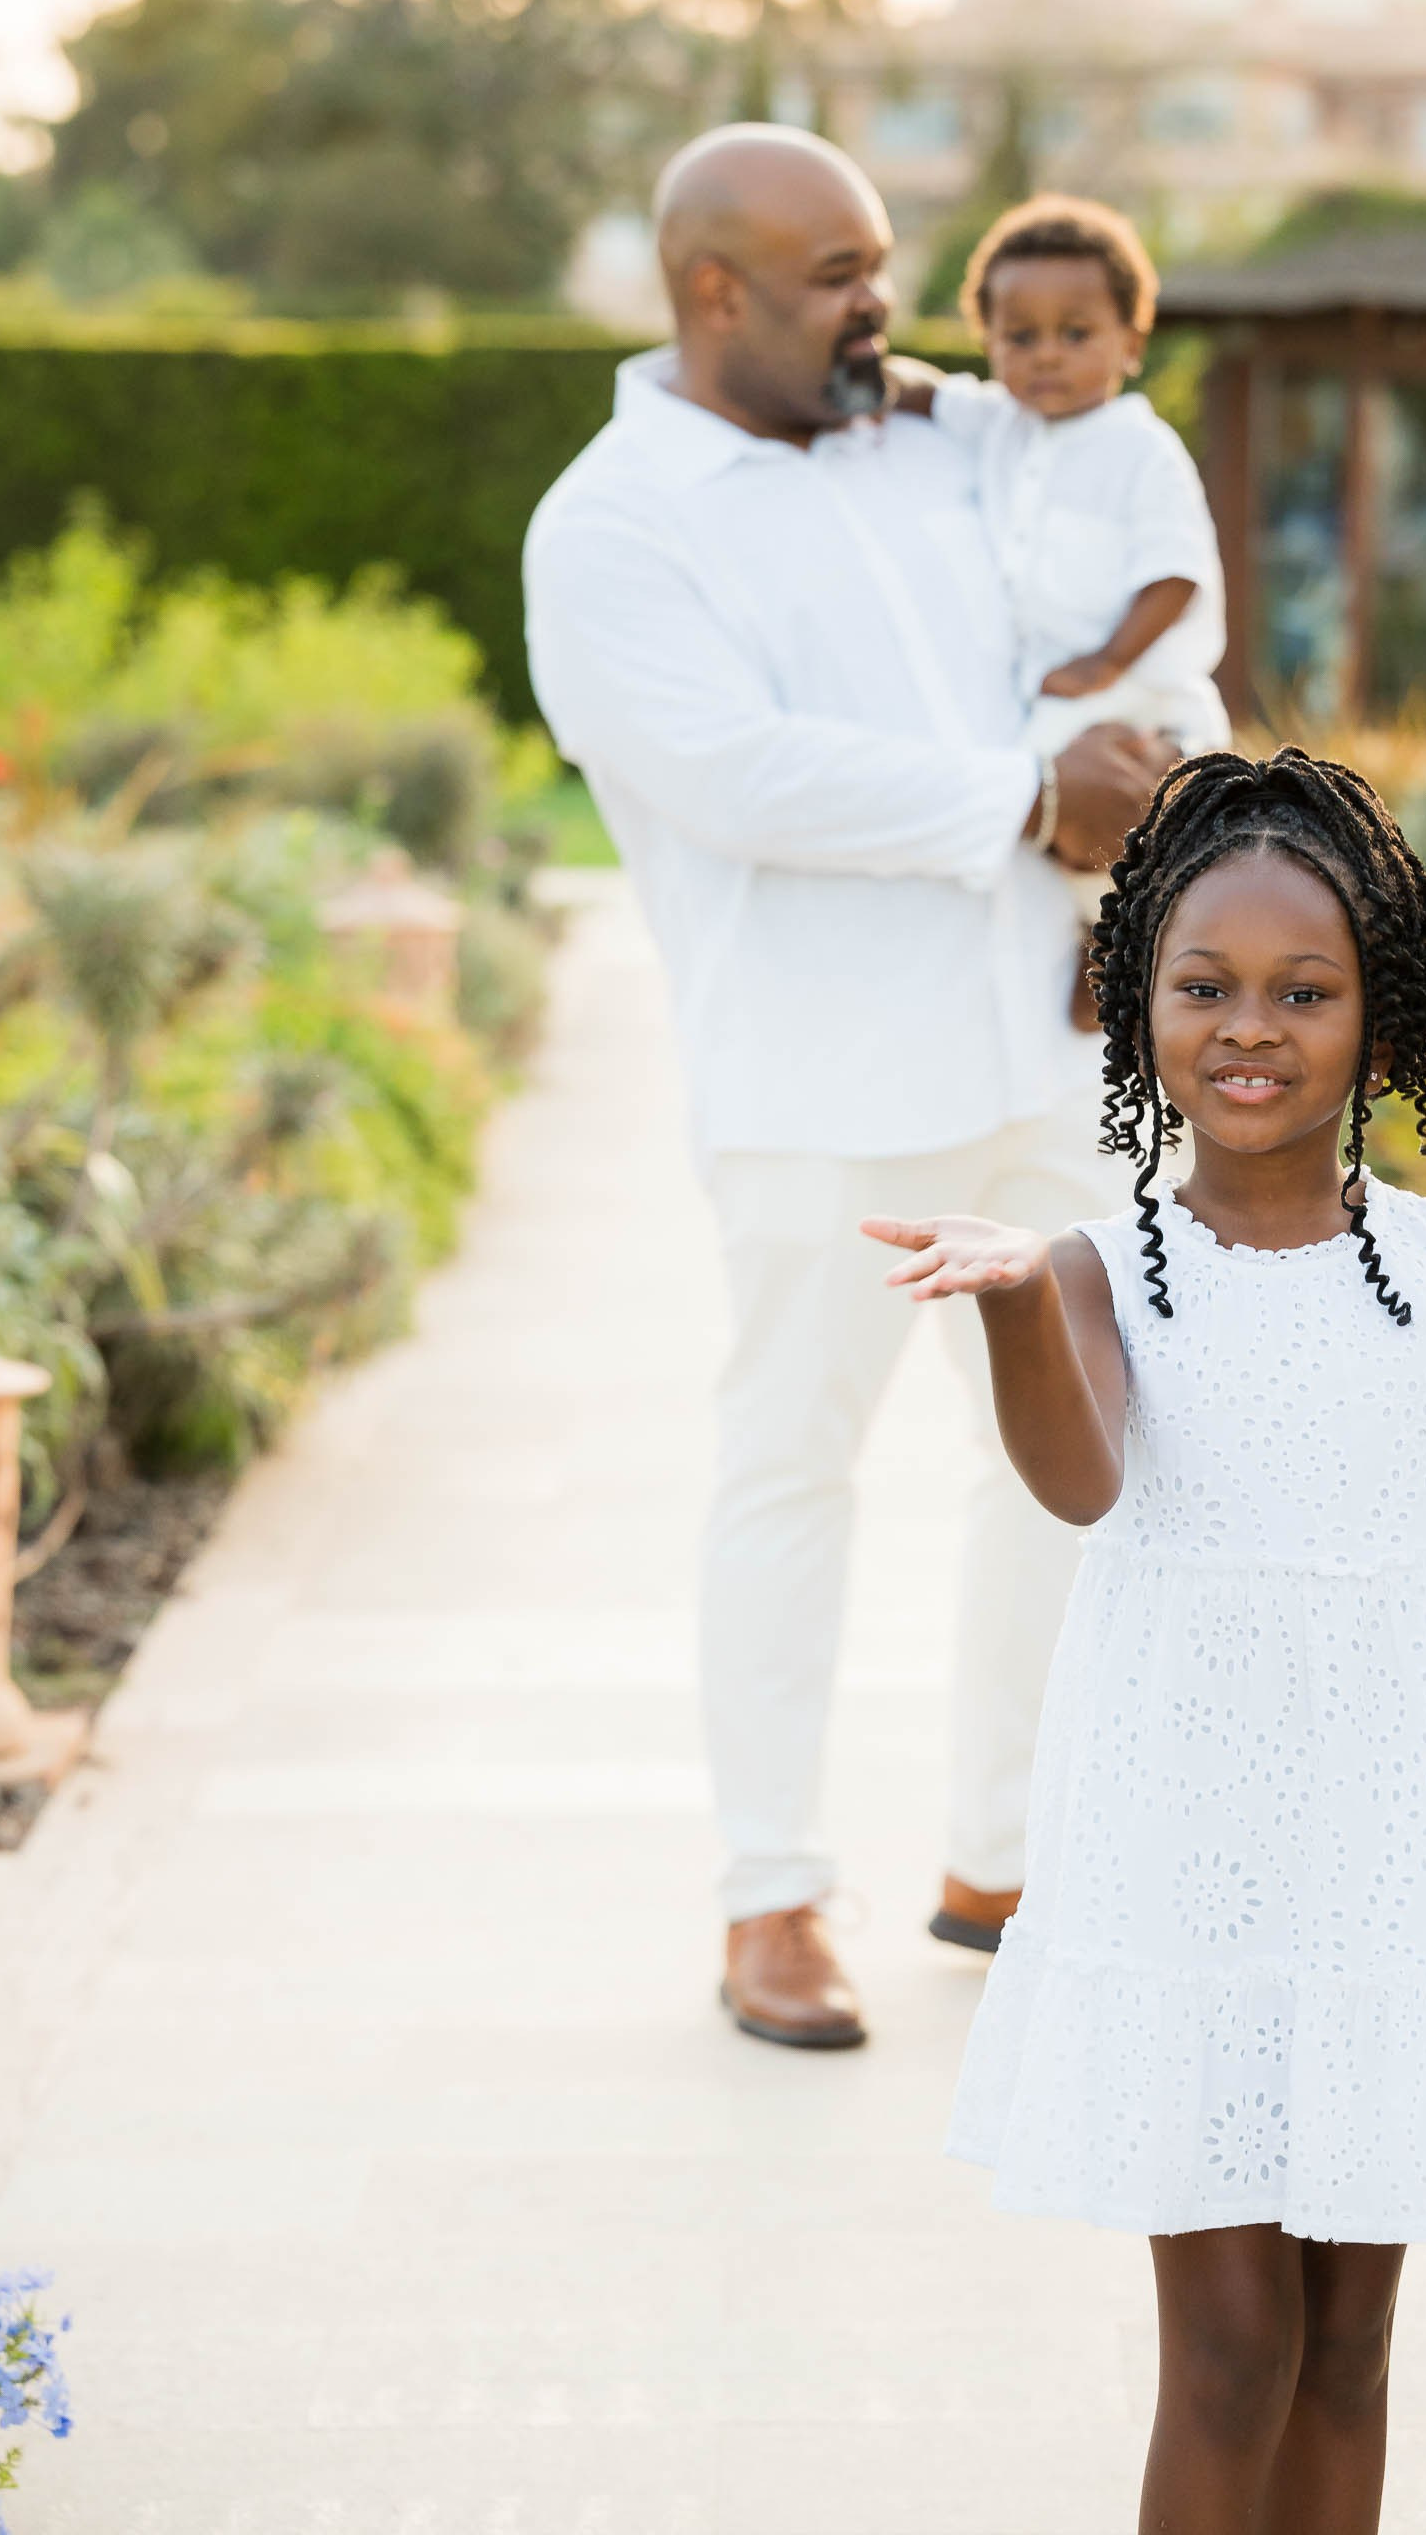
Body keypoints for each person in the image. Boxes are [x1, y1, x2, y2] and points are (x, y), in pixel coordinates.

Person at [866, 748, 1426, 2534]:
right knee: (1225, 2352)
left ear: (1385, 1011)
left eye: (1305, 989)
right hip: (1186, 1886)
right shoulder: (1096, 1270)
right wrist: (1009, 1314)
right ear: (1139, 1005)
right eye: (1203, 987)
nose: (1249, 1028)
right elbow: (1075, 1481)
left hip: (1402, 1892)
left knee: (1348, 2352)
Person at [523, 123, 1172, 2055]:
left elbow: (1116, 500)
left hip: (1043, 1045)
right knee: (795, 1465)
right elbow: (731, 771)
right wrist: (1023, 799)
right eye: (836, 275)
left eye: (883, 261)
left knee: (1076, 1461)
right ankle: (772, 1898)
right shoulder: (615, 520)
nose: (882, 302)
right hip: (824, 1085)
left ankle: (1009, 1862)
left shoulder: (945, 438)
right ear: (710, 289)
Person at [902, 194, 1230, 922]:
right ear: (988, 341)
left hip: (1132, 684)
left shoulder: (1139, 449)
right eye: (1020, 336)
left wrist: (1109, 663)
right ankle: (1105, 933)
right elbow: (925, 394)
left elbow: (1175, 573)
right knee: (1057, 815)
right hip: (1051, 690)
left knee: (1086, 803)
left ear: (1131, 342)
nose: (1046, 353)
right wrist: (870, 380)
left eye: (1076, 334)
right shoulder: (997, 426)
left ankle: (1112, 942)